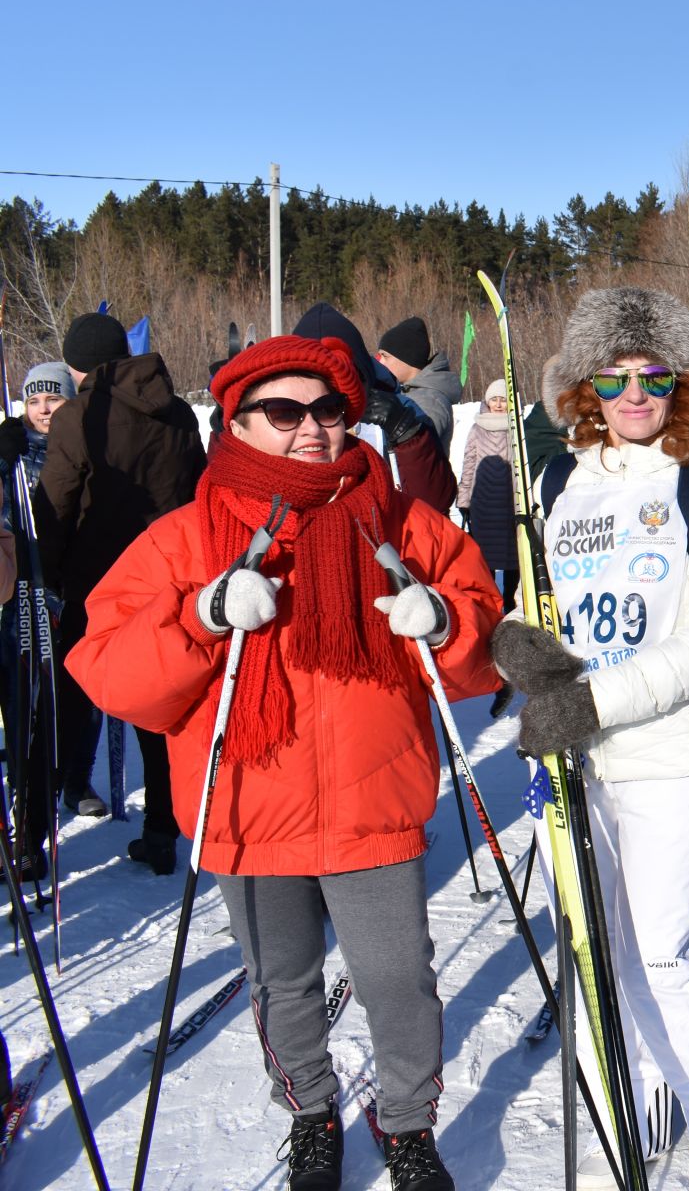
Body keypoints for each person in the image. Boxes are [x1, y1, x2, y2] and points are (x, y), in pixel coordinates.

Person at [68, 335, 501, 1191]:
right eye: (284, 411)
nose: (312, 427)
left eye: (329, 408)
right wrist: (203, 613)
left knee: (399, 985)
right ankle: (310, 1111)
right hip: (245, 810)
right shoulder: (184, 538)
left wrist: (446, 621)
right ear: (237, 423)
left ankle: (407, 1124)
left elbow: (482, 630)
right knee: (283, 988)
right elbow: (108, 668)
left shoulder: (400, 523)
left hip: (373, 803)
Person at [487, 286, 689, 1191]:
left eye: (653, 375)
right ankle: (638, 1103)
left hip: (669, 753)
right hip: (577, 763)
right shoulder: (558, 484)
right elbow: (537, 611)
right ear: (584, 388)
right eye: (613, 377)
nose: (634, 394)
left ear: (683, 384)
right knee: (598, 949)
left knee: (661, 952)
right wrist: (516, 647)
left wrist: (596, 702)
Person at [33, 313, 206, 875]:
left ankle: (31, 840)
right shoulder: (178, 412)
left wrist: (49, 579)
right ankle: (161, 830)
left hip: (97, 585)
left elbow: (56, 506)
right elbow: (196, 493)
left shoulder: (80, 415)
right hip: (164, 581)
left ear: (77, 365)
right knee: (155, 709)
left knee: (64, 707)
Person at [0, 362, 84, 876]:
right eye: (34, 401)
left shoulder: (78, 453)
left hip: (54, 605)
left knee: (43, 729)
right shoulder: (10, 455)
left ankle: (33, 835)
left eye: (53, 399)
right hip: (9, 606)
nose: (44, 409)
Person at [292, 305, 456, 513]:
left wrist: (405, 433)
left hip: (383, 532)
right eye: (311, 376)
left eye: (345, 375)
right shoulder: (283, 411)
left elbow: (434, 501)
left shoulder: (399, 409)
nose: (328, 390)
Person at [455, 379, 518, 606]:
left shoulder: (516, 427)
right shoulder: (477, 428)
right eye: (495, 399)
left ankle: (511, 602)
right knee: (485, 561)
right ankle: (489, 603)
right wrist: (463, 501)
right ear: (487, 401)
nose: (499, 404)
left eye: (503, 400)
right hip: (483, 505)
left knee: (514, 559)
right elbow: (469, 463)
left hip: (509, 505)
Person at [376, 317, 460, 452]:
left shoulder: (429, 402)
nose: (381, 363)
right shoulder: (411, 393)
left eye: (385, 356)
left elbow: (417, 452)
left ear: (407, 358)